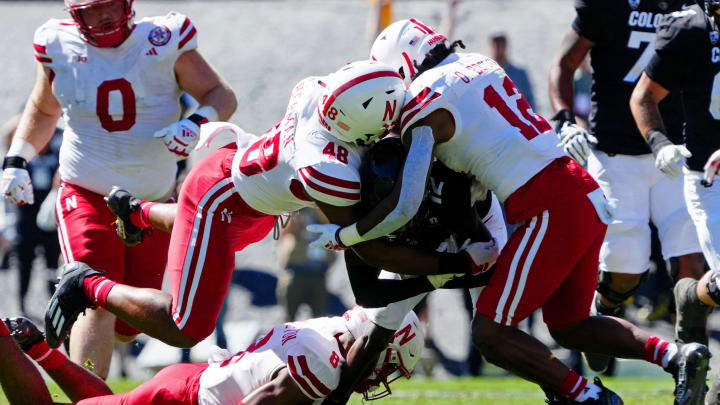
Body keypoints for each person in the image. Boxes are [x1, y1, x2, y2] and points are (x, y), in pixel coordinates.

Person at [309, 18, 710, 404]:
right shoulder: (478, 63)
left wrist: (348, 235)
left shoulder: (424, 103)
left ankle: (586, 396)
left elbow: (407, 203)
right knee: (570, 325)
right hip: (585, 193)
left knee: (490, 333)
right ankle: (676, 356)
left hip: (549, 206)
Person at [45, 60, 499, 351]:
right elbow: (369, 252)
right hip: (219, 203)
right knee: (187, 327)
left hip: (253, 199)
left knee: (226, 225)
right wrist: (452, 263)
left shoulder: (318, 92)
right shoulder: (327, 168)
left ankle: (137, 212)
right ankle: (89, 285)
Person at [0, 0, 236, 378]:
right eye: (92, 10)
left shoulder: (163, 39)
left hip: (151, 202)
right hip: (87, 191)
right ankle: (88, 398)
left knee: (129, 327)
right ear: (75, 14)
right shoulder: (57, 44)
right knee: (94, 296)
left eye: (109, 5)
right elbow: (44, 110)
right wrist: (16, 159)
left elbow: (220, 95)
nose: (103, 16)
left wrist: (196, 121)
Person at [548, 0, 707, 373]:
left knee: (691, 263)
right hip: (616, 153)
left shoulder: (692, 9)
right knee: (624, 271)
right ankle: (605, 312)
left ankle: (690, 366)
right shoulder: (609, 6)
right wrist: (565, 119)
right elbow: (564, 63)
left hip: (674, 151)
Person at [0, 308, 422, 405]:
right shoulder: (325, 363)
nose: (376, 377)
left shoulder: (327, 331)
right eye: (387, 365)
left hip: (193, 382)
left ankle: (39, 349)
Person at [630, 1, 720, 402]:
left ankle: (691, 296)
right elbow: (644, 97)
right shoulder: (688, 29)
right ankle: (691, 296)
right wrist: (660, 143)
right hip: (709, 177)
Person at [489, 33, 536, 110]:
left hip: (517, 120)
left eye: (501, 45)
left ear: (506, 46)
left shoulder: (520, 74)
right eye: (496, 45)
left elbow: (530, 101)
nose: (498, 49)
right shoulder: (486, 75)